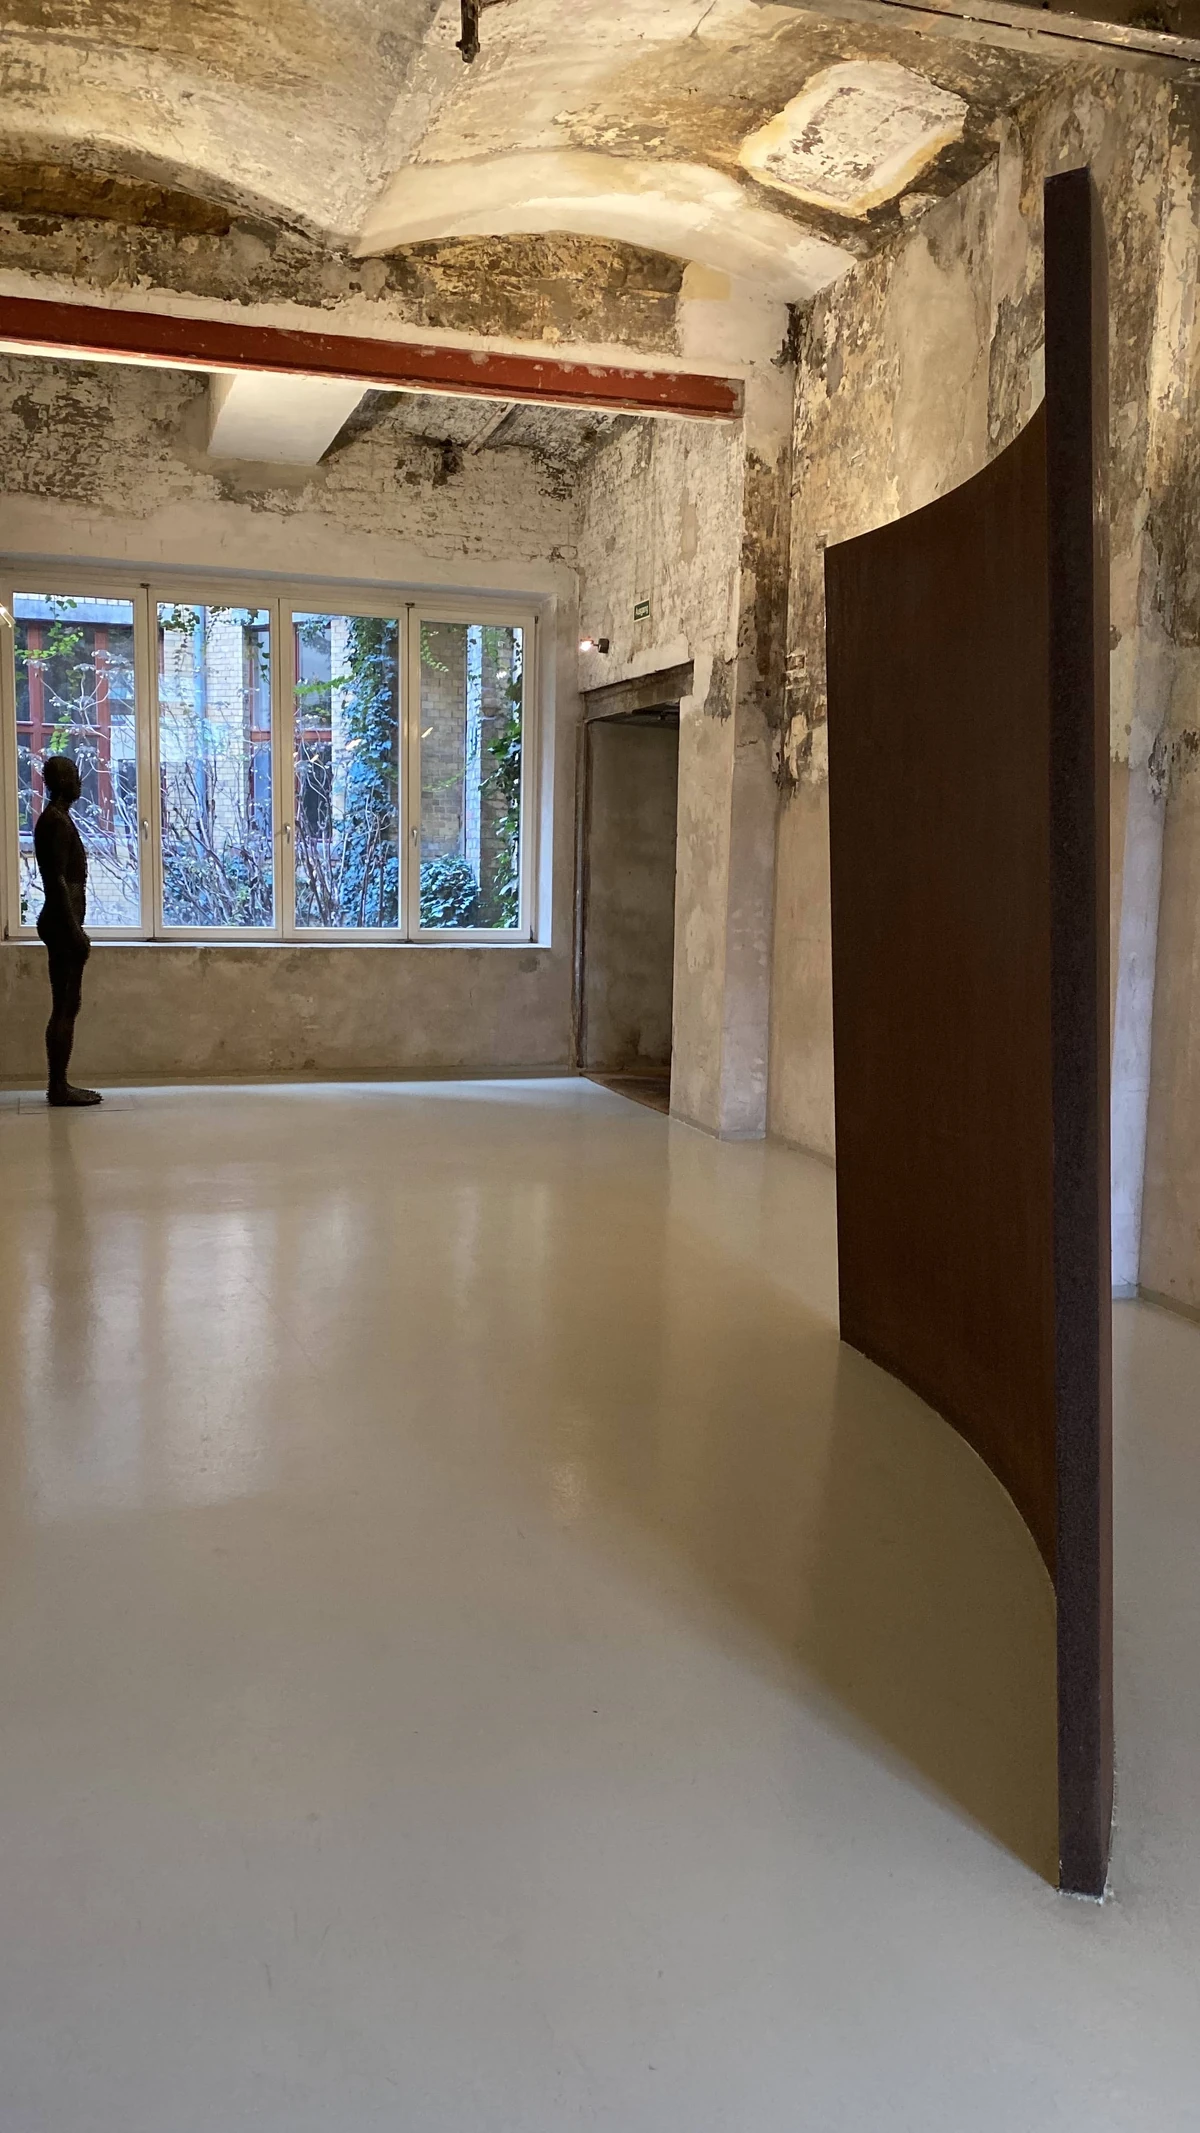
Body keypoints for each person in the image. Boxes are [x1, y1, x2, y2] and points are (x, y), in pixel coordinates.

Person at [33, 756, 102, 1107]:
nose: (79, 782)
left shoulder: (57, 819)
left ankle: (59, 1083)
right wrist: (74, 931)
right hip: (62, 924)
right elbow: (57, 881)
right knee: (64, 1006)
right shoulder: (55, 822)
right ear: (62, 782)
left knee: (67, 1004)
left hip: (63, 922)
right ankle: (58, 1086)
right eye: (74, 776)